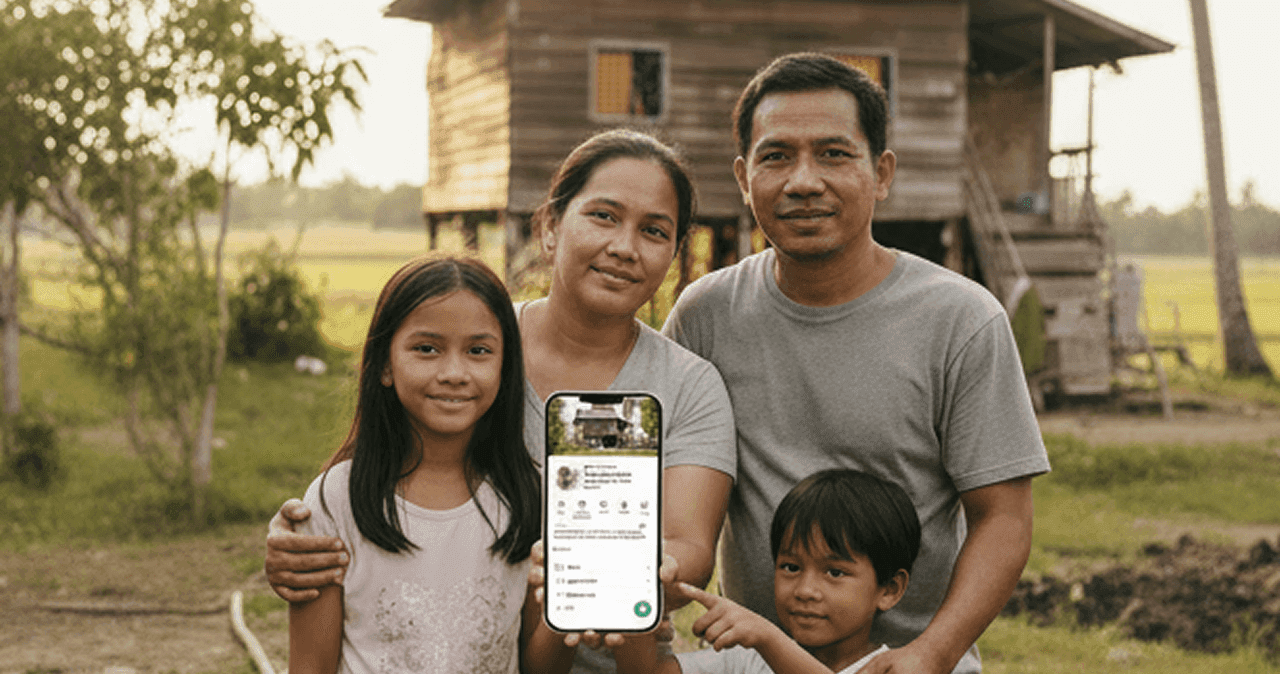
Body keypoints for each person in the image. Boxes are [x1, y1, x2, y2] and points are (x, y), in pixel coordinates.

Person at [268, 130, 738, 674]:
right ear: (550, 227)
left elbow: (690, 550)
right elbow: (373, 472)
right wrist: (300, 545)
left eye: (654, 231)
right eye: (604, 216)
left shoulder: (689, 384)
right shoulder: (475, 338)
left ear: (674, 253)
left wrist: (598, 571)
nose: (624, 247)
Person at [661, 53, 1050, 674]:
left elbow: (1002, 518)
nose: (804, 180)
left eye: (834, 154)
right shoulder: (706, 313)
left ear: (882, 172)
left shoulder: (961, 320)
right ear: (743, 176)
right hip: (756, 659)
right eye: (776, 156)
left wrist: (931, 653)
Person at [287, 255, 571, 673]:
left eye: (478, 350)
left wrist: (573, 607)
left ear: (505, 365)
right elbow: (310, 666)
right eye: (426, 349)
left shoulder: (535, 495)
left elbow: (541, 669)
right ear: (384, 363)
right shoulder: (336, 500)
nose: (454, 372)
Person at [614, 468, 921, 674]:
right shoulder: (744, 662)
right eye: (791, 567)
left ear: (889, 589)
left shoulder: (894, 668)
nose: (804, 590)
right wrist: (635, 625)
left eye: (834, 572)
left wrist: (768, 637)